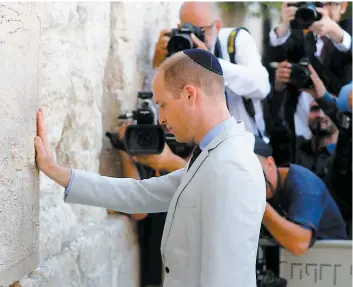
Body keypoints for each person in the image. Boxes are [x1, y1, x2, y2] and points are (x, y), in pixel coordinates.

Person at [35, 49, 266, 287]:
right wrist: (54, 170)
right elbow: (140, 194)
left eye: (162, 105)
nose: (162, 119)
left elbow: (227, 279)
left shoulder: (232, 167)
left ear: (189, 95)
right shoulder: (214, 155)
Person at [153, 1, 270, 139]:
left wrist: (210, 63)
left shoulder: (235, 40)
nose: (194, 38)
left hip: (247, 138)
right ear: (179, 27)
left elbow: (262, 86)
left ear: (217, 26)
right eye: (188, 30)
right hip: (201, 142)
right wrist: (159, 62)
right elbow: (159, 103)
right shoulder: (179, 48)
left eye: (200, 31)